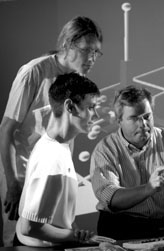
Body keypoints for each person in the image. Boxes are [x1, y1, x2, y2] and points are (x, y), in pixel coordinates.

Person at [0, 16, 103, 247]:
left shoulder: (78, 79)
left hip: (50, 166)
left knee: (53, 234)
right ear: (68, 44)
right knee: (21, 238)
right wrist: (13, 183)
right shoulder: (33, 73)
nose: (93, 58)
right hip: (22, 169)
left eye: (97, 53)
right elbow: (6, 130)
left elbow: (68, 133)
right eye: (88, 51)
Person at [15, 72, 100, 247]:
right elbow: (29, 227)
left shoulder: (59, 145)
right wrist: (76, 237)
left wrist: (73, 232)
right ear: (69, 106)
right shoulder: (52, 158)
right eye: (91, 107)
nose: (96, 116)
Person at [90, 85, 164, 240]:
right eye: (134, 118)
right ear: (118, 120)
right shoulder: (106, 150)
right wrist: (149, 188)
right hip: (121, 228)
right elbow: (111, 199)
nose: (143, 124)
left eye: (147, 116)